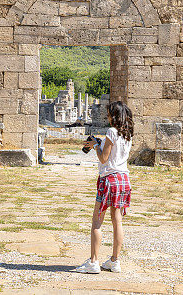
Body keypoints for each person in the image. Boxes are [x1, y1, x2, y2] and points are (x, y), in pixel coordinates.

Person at [75, 101, 133, 274]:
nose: (107, 117)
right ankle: (115, 261)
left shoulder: (111, 132)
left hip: (109, 179)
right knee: (117, 222)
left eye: (109, 114)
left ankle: (93, 262)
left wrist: (95, 146)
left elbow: (104, 158)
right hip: (123, 179)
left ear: (113, 116)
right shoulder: (128, 134)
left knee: (97, 222)